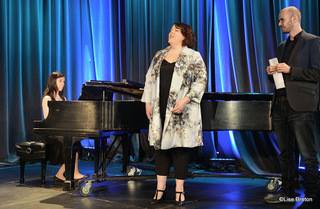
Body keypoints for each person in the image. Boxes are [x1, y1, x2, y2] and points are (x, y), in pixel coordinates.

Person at [141, 23, 207, 206]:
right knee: (160, 149)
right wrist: (147, 101)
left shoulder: (193, 56)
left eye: (175, 31)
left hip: (182, 109)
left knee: (180, 150)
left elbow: (201, 82)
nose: (170, 32)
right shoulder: (159, 55)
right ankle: (159, 189)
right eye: (170, 30)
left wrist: (185, 100)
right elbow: (149, 79)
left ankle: (179, 190)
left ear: (184, 35)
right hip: (159, 107)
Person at [264, 6, 320, 208]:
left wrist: (291, 70)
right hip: (280, 103)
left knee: (307, 153)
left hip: (301, 106)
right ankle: (288, 192)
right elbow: (280, 78)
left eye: (282, 20)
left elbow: (316, 73)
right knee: (286, 152)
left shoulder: (313, 42)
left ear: (294, 18)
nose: (279, 24)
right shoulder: (281, 46)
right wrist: (272, 73)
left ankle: (312, 195)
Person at [42, 72, 86, 183]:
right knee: (70, 142)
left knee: (76, 142)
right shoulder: (47, 99)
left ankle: (73, 172)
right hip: (52, 132)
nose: (63, 84)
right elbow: (48, 120)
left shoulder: (63, 98)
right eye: (60, 81)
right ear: (53, 82)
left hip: (63, 131)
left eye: (64, 82)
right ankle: (61, 174)